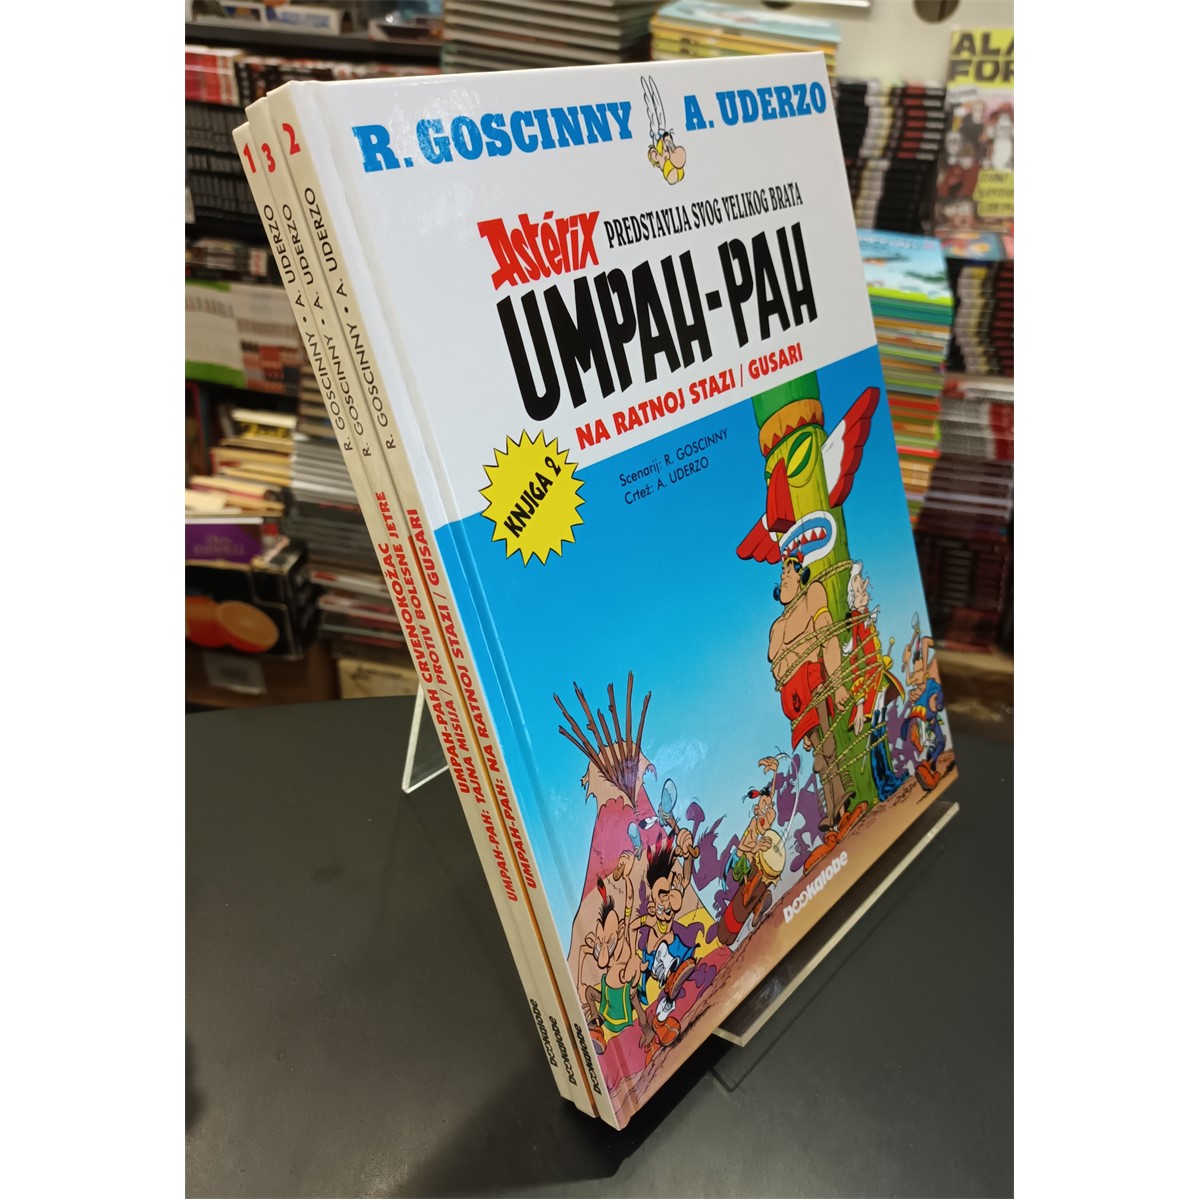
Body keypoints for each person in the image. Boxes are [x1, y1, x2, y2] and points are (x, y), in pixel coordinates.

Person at [768, 552, 859, 836]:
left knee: (827, 747)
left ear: (801, 574)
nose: (784, 576)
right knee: (819, 754)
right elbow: (778, 669)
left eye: (790, 570)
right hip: (796, 701)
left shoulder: (813, 596)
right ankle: (833, 811)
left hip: (815, 684)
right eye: (782, 572)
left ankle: (840, 806)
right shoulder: (777, 627)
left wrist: (839, 684)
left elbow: (828, 638)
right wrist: (795, 718)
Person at [843, 562, 905, 801]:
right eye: (858, 590)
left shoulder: (865, 619)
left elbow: (871, 652)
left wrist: (881, 662)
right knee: (876, 735)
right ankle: (883, 784)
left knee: (880, 731)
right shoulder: (856, 623)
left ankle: (887, 779)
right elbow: (856, 663)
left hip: (877, 680)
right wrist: (859, 704)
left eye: (864, 588)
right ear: (852, 597)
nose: (864, 593)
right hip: (868, 686)